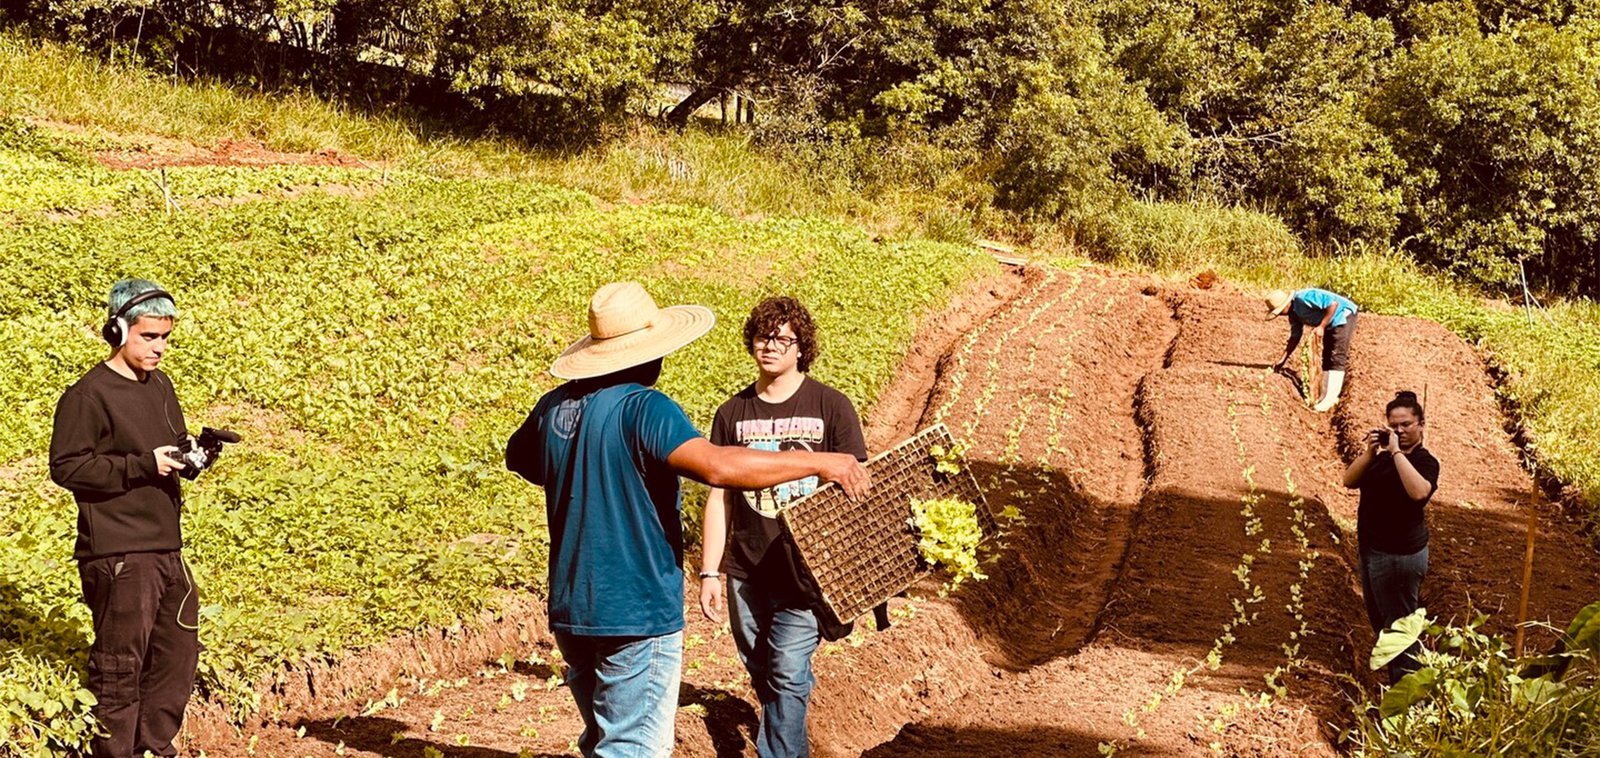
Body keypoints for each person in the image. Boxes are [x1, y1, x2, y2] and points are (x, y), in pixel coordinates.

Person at [504, 281, 870, 757]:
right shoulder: (645, 408)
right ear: (648, 354)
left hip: (573, 608)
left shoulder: (553, 407)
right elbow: (717, 467)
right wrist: (819, 462)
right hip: (635, 609)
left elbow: (521, 459)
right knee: (632, 748)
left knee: (602, 740)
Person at [698, 296, 867, 758]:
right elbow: (720, 496)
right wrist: (709, 571)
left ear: (800, 348)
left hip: (808, 572)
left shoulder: (831, 406)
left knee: (787, 670)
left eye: (782, 339)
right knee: (763, 669)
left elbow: (858, 488)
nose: (770, 346)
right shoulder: (732, 414)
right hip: (748, 567)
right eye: (763, 337)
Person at [48, 279, 200, 758]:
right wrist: (142, 465)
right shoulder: (88, 395)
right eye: (148, 336)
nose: (159, 347)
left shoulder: (161, 385)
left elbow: (169, 445)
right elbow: (67, 467)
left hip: (165, 546)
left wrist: (193, 455)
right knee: (120, 667)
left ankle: (153, 749)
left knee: (176, 655)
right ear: (117, 331)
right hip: (118, 553)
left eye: (165, 337)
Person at [1342, 390, 1440, 682]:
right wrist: (1371, 452)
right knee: (1384, 625)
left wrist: (1397, 452)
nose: (1400, 431)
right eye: (1394, 426)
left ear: (1421, 425)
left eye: (1406, 424)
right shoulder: (1380, 459)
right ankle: (1402, 684)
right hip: (1373, 551)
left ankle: (1409, 690)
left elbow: (1418, 493)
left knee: (1400, 631)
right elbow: (1349, 480)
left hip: (1400, 557)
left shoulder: (1424, 461)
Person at [1266, 287, 1360, 412]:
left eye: (1280, 311)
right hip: (1330, 322)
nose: (1280, 315)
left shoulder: (1305, 297)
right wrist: (1282, 359)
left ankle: (1331, 399)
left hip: (1343, 315)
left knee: (1337, 356)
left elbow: (1333, 304)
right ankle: (1324, 396)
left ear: (1286, 304)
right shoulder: (1293, 314)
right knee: (1327, 356)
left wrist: (1321, 326)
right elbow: (1295, 337)